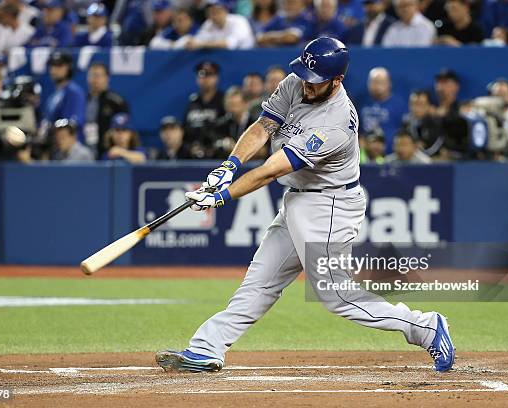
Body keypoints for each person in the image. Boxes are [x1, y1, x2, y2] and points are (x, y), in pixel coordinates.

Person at [155, 37, 455, 374]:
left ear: (337, 80)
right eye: (304, 78)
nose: (306, 87)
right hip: (299, 199)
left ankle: (426, 327)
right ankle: (206, 348)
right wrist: (229, 166)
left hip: (329, 206)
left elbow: (272, 169)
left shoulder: (335, 122)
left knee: (337, 297)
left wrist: (221, 196)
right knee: (261, 280)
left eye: (316, 83)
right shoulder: (298, 81)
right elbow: (263, 126)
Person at [37, 51, 86, 153]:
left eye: (59, 66)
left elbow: (72, 124)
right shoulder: (53, 95)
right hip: (55, 148)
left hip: (69, 151)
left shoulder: (74, 92)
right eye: (52, 66)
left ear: (68, 68)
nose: (54, 70)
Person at [85, 61, 129, 157]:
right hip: (86, 149)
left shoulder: (116, 101)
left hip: (108, 152)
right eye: (91, 75)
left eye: (98, 76)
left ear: (107, 78)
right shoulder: (83, 100)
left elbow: (126, 129)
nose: (94, 79)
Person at [183, 61, 226, 159]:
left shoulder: (223, 100)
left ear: (216, 78)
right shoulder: (192, 102)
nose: (205, 79)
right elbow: (185, 129)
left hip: (218, 154)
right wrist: (190, 147)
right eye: (202, 75)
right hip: (193, 154)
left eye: (210, 75)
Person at [359, 67, 406, 153]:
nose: (376, 86)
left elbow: (404, 132)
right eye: (373, 82)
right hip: (365, 156)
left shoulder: (399, 105)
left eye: (380, 82)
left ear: (389, 84)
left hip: (390, 155)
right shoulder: (361, 102)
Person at [187, 0, 255, 49]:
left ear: (225, 10)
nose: (213, 12)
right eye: (210, 10)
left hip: (246, 58)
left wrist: (202, 44)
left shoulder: (239, 21)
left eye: (217, 9)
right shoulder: (208, 23)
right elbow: (197, 40)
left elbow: (229, 44)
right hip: (225, 59)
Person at [433, 68, 467, 159]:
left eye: (445, 83)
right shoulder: (431, 110)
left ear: (456, 86)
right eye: (438, 83)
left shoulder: (463, 110)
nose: (441, 87)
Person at [403, 89, 443, 157]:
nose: (417, 108)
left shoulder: (437, 123)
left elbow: (437, 147)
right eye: (414, 104)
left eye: (421, 104)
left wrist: (415, 150)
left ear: (428, 106)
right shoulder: (406, 122)